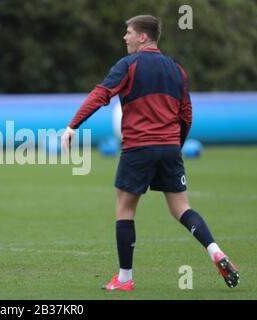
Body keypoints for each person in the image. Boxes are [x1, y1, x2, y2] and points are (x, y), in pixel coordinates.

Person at [61, 15, 239, 290]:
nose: (125, 37)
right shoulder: (176, 69)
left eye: (128, 32)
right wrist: (174, 146)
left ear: (143, 37)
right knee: (182, 209)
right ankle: (215, 250)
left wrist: (73, 125)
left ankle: (124, 279)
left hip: (138, 148)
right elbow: (187, 115)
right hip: (169, 147)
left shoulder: (128, 65)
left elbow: (100, 95)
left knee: (125, 209)